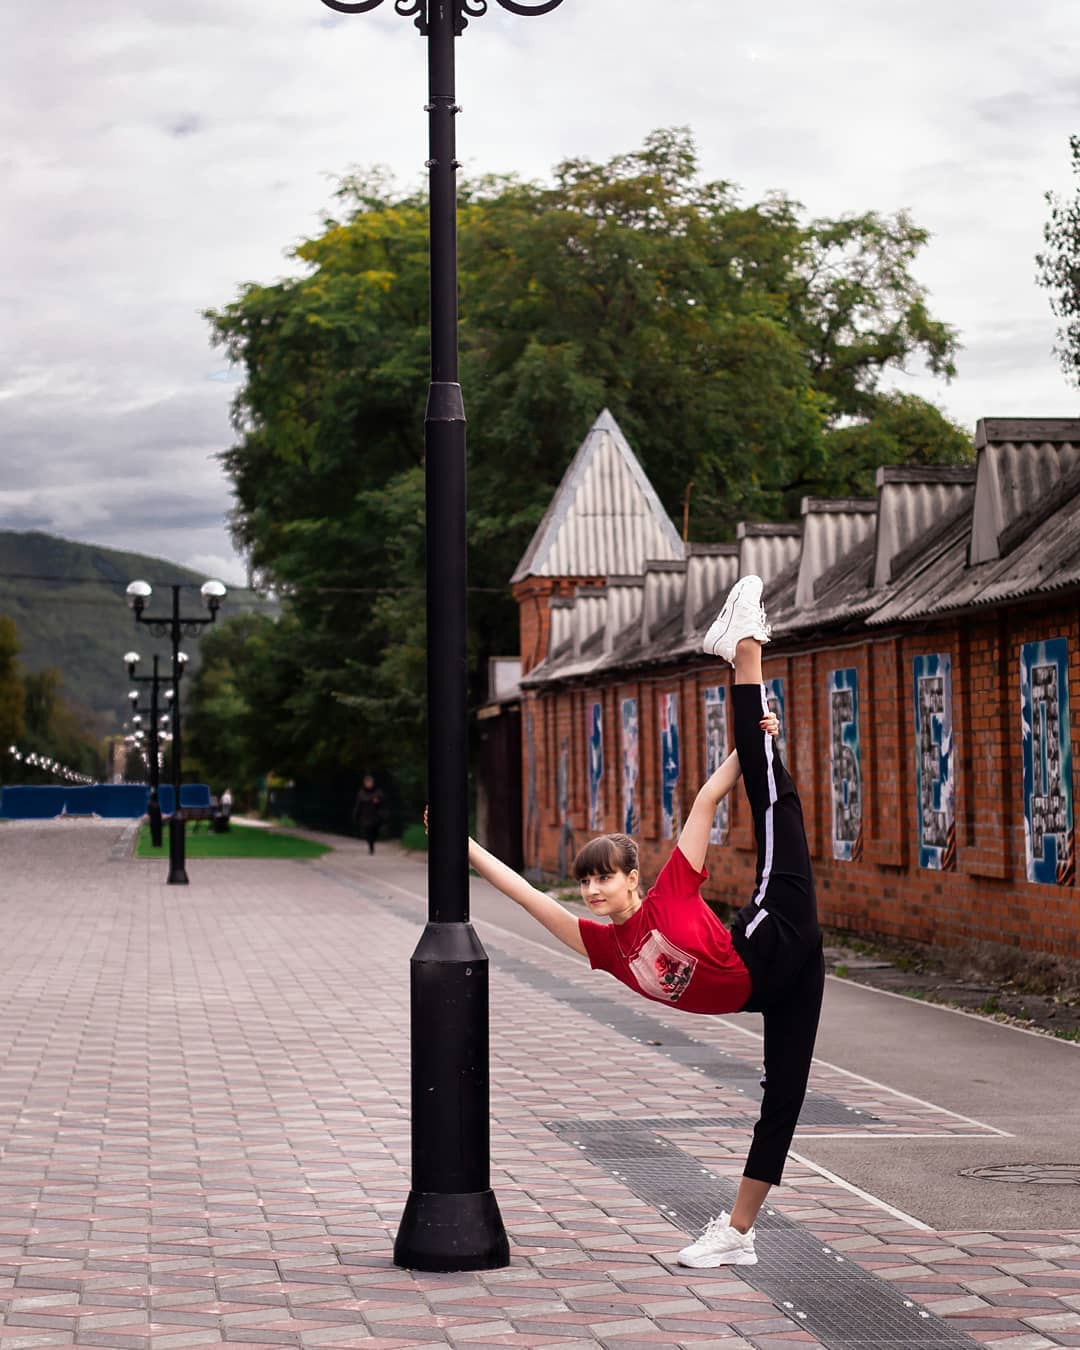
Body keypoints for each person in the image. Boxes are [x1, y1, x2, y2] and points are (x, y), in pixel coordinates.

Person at [463, 575, 823, 1268]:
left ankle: (744, 644)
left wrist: (757, 740)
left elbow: (713, 798)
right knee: (784, 1101)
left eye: (604, 877)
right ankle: (738, 1236)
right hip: (780, 987)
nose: (593, 890)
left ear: (633, 877)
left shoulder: (671, 893)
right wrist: (463, 846)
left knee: (775, 800)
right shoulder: (603, 947)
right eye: (585, 881)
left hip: (776, 929)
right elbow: (522, 896)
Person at [352, 774, 385, 854]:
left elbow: (383, 801)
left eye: (370, 782)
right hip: (365, 816)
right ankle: (371, 847)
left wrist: (378, 801)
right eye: (367, 783)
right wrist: (356, 815)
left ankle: (372, 843)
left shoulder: (378, 791)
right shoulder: (361, 792)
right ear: (364, 783)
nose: (369, 784)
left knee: (375, 832)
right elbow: (358, 805)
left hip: (376, 816)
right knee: (367, 831)